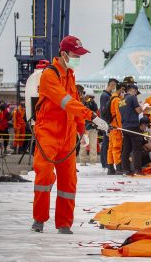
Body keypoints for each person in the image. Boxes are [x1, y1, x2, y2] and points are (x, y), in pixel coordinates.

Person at [31, 35, 109, 234]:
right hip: (48, 132)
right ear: (64, 54)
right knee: (45, 176)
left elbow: (74, 104)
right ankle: (39, 220)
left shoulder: (70, 76)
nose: (78, 59)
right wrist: (91, 115)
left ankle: (64, 223)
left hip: (67, 135)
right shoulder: (50, 75)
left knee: (68, 180)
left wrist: (81, 129)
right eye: (76, 55)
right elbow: (65, 101)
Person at [120, 80, 143, 175]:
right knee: (137, 149)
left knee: (126, 149)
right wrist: (142, 107)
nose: (136, 94)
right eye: (136, 92)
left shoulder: (121, 100)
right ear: (133, 90)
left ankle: (125, 169)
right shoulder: (133, 97)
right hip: (133, 126)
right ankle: (137, 169)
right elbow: (138, 111)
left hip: (125, 127)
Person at [99, 78, 118, 169]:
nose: (115, 88)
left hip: (106, 122)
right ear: (112, 85)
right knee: (106, 143)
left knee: (106, 143)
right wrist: (106, 123)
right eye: (114, 86)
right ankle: (105, 163)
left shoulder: (107, 95)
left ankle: (105, 162)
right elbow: (104, 111)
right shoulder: (105, 96)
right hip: (105, 123)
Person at [78, 86, 99, 165]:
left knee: (93, 145)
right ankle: (82, 161)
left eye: (92, 97)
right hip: (84, 127)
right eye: (89, 97)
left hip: (93, 127)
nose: (90, 98)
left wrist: (92, 103)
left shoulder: (94, 104)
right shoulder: (81, 103)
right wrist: (86, 103)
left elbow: (96, 113)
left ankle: (93, 161)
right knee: (83, 145)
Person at [107, 82, 125, 175]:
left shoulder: (112, 97)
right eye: (123, 90)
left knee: (110, 147)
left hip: (111, 126)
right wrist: (121, 128)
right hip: (116, 127)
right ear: (121, 89)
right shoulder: (117, 100)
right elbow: (118, 115)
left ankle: (110, 168)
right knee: (117, 147)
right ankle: (118, 167)